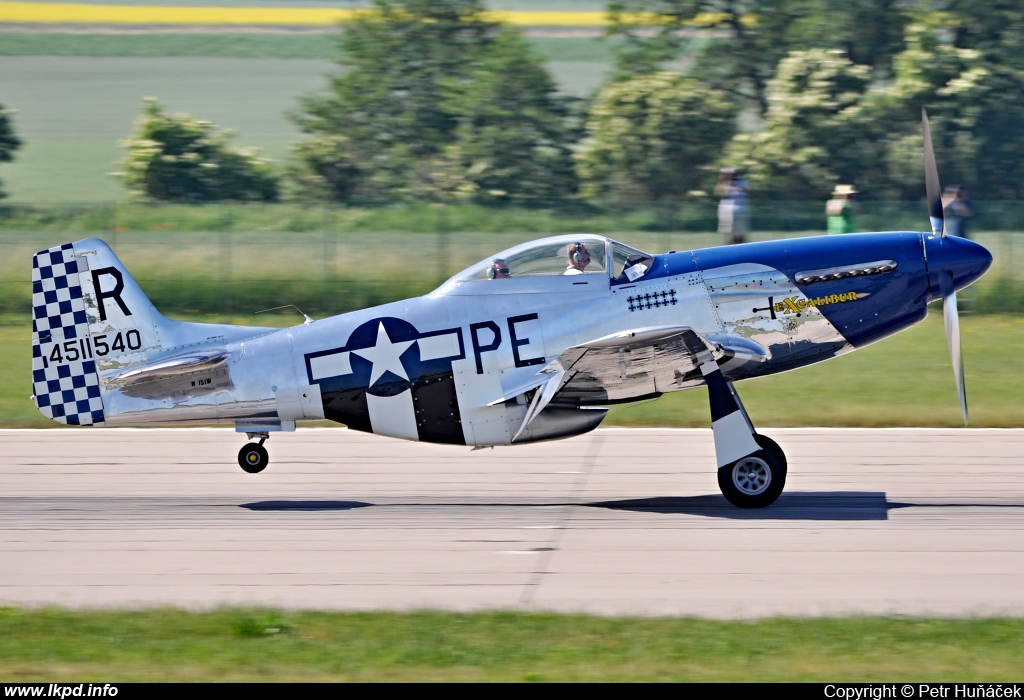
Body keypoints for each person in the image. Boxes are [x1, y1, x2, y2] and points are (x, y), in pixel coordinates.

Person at [716, 167, 750, 245]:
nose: (727, 176)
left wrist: (732, 183)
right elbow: (719, 192)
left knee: (740, 233)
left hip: (740, 210)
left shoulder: (742, 182)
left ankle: (743, 248)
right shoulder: (723, 183)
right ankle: (727, 247)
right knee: (727, 232)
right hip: (726, 210)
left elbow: (744, 190)